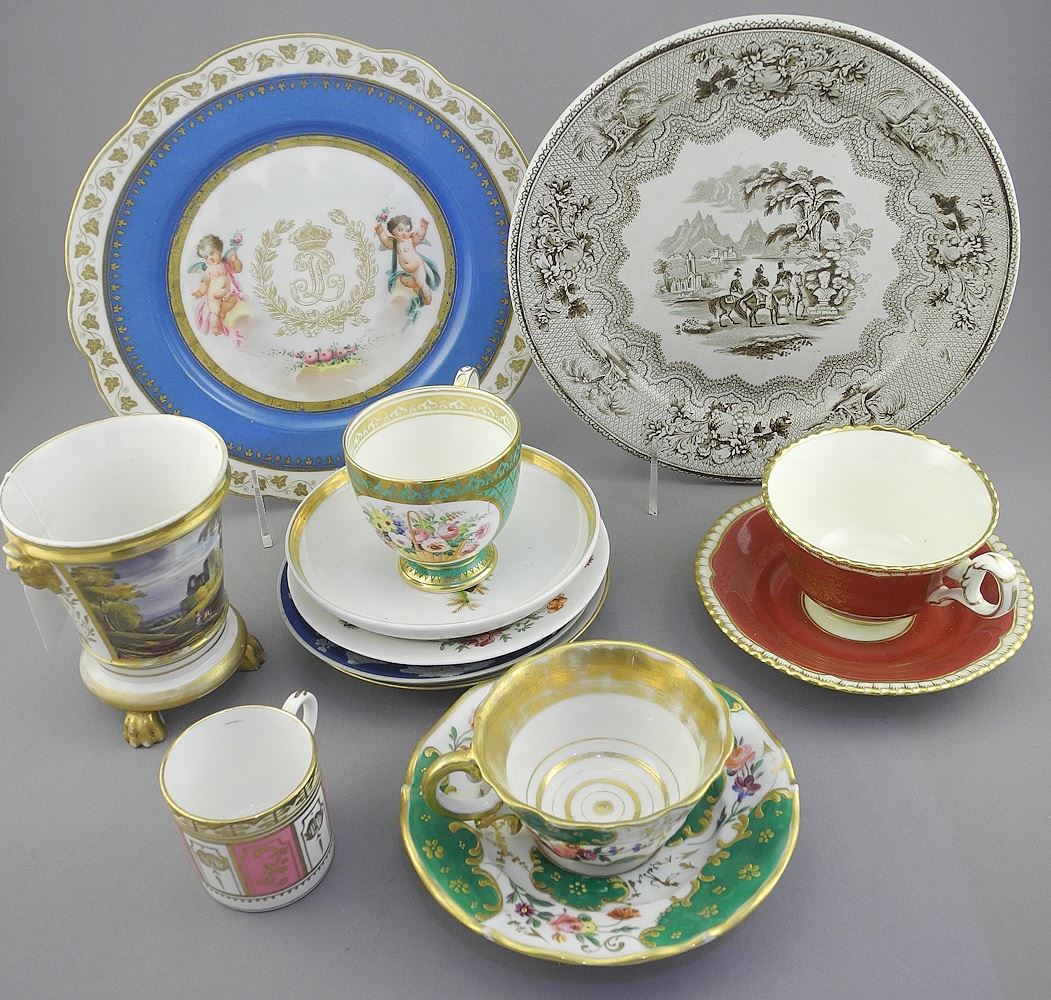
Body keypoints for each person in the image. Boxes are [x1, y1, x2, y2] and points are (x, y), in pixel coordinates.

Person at [375, 213, 441, 320]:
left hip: (417, 266)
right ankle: (415, 297)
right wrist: (380, 232)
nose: (404, 233)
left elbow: (419, 236)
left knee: (421, 282)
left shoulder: (410, 241)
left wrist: (423, 227)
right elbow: (385, 241)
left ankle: (428, 299)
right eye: (400, 230)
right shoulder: (395, 244)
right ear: (393, 231)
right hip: (408, 272)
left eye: (407, 230)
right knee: (408, 283)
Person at [190, 234, 244, 342]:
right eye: (206, 257)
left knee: (234, 300)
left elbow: (238, 269)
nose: (210, 258)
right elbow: (204, 283)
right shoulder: (209, 270)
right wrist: (199, 292)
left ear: (219, 250)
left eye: (211, 253)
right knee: (215, 313)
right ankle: (215, 328)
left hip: (227, 295)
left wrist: (235, 260)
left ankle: (223, 311)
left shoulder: (226, 264)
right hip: (213, 298)